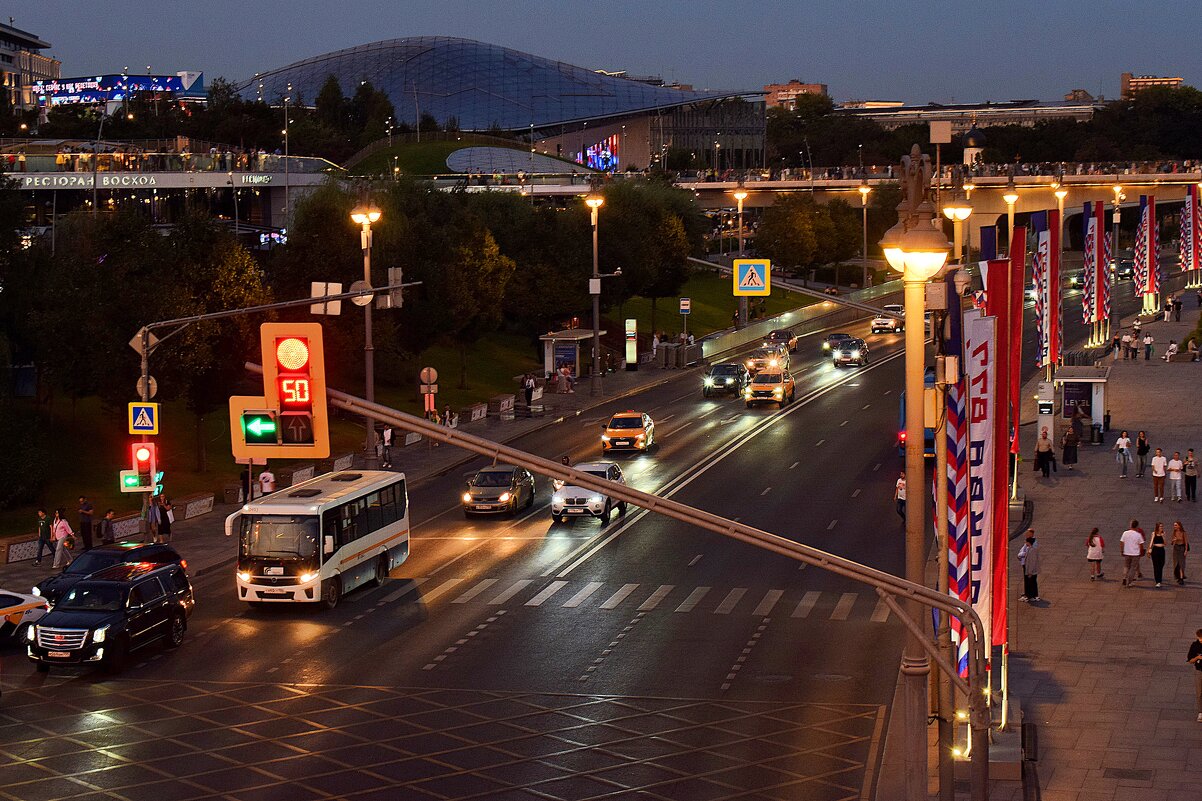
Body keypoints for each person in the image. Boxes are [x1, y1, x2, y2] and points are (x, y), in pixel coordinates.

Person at [1120, 519, 1146, 587]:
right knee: (1133, 568)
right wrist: (1141, 552)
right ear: (1137, 526)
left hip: (1127, 552)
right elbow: (1141, 545)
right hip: (1135, 554)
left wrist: (1122, 550)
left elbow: (1122, 542)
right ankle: (1129, 582)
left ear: (1131, 525)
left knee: (1126, 566)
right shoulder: (1138, 535)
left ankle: (1124, 577)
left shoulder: (1125, 533)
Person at [1018, 531, 1041, 602]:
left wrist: (1029, 572)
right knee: (1032, 581)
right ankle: (1033, 595)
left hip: (1029, 569)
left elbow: (1031, 562)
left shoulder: (1031, 551)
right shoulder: (1031, 549)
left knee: (1029, 582)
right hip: (1030, 568)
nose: (1025, 543)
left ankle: (1029, 595)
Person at [1186, 629, 1202, 722]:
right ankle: (1201, 712)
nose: (1200, 640)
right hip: (1199, 670)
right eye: (1199, 638)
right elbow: (1190, 660)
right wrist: (1197, 657)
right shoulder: (1195, 646)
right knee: (1199, 692)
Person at [1149, 521, 1168, 587]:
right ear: (1157, 527)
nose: (1161, 528)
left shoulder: (1164, 533)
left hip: (1161, 550)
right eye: (1160, 526)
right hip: (1155, 550)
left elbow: (1165, 543)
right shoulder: (1154, 533)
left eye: (1162, 526)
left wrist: (1163, 537)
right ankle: (1158, 581)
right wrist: (1149, 549)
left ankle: (1159, 578)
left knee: (1162, 564)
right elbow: (1151, 542)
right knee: (1156, 565)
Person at [1172, 521, 1190, 585]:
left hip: (1182, 548)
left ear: (1179, 526)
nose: (1174, 526)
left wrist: (1185, 551)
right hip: (1176, 548)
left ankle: (1181, 578)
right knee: (1176, 564)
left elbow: (1186, 542)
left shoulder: (1183, 533)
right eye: (1174, 525)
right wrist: (1174, 540)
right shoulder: (1174, 532)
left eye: (1176, 525)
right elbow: (1172, 543)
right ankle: (1178, 576)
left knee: (1181, 564)